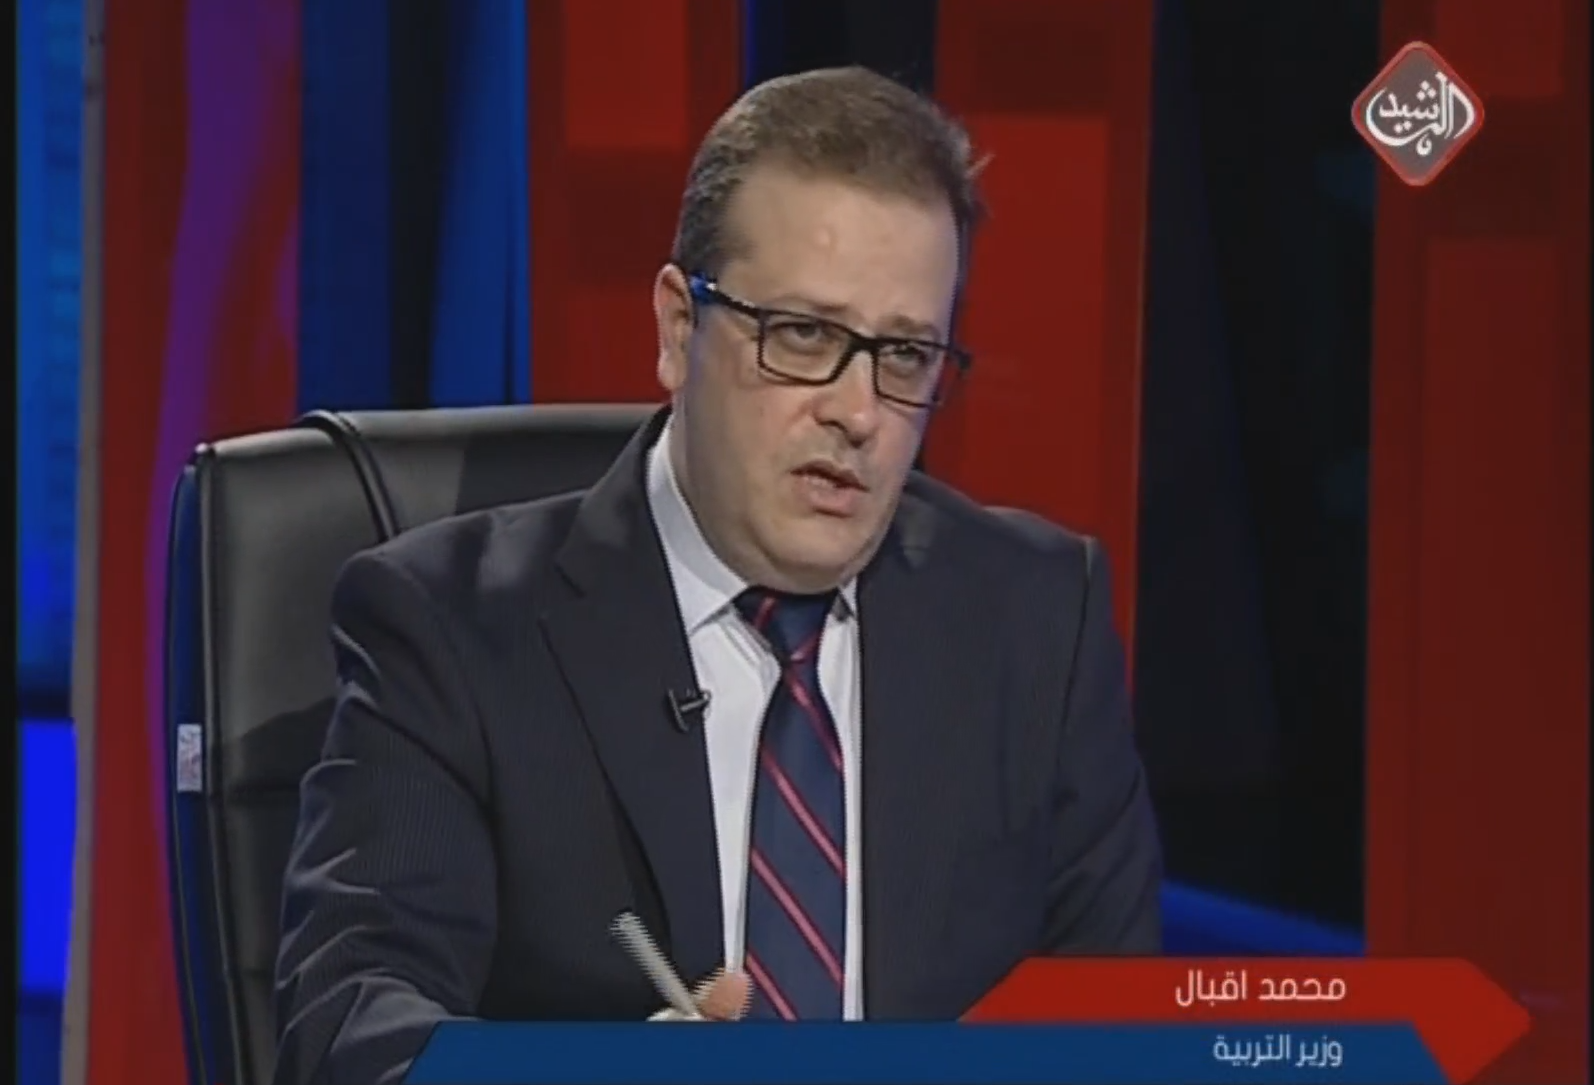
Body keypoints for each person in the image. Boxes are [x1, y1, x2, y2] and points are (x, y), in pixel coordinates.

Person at [273, 65, 1161, 1085]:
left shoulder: (1036, 620)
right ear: (676, 328)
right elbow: (352, 1029)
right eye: (806, 336)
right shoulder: (451, 630)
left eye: (906, 355)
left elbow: (1118, 1033)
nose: (858, 412)